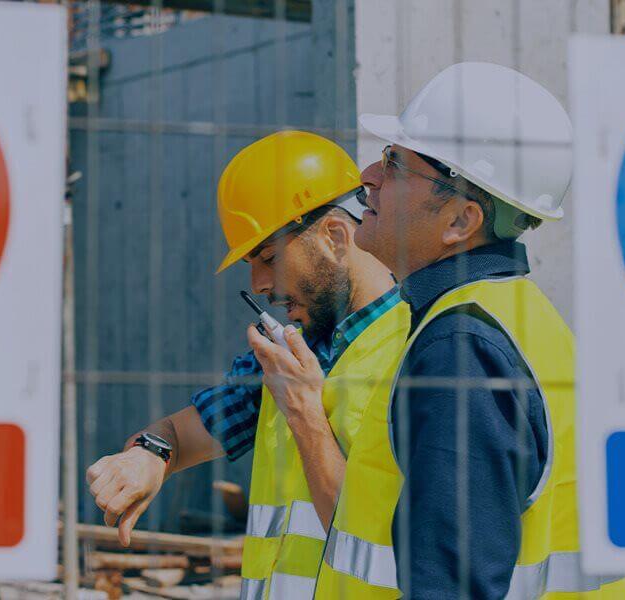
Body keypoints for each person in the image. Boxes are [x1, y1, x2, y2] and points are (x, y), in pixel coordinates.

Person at [276, 62, 625, 599]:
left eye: (395, 164)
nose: (367, 175)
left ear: (461, 222)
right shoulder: (515, 320)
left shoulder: (462, 348)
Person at [83, 131, 407, 599]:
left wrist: (304, 412)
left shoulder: (420, 350)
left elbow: (387, 546)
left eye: (269, 258)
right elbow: (181, 434)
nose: (258, 284)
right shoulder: (294, 354)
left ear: (335, 236)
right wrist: (149, 456)